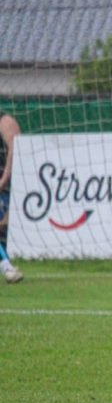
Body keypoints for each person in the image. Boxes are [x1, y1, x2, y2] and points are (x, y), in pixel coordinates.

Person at [0, 111, 23, 284]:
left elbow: (16, 144)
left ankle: (6, 264)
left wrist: (4, 179)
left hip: (6, 191)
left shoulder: (4, 120)